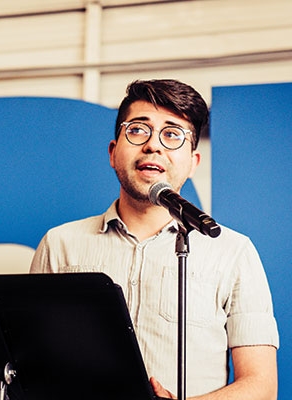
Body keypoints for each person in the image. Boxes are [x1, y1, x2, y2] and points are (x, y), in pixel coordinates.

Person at [30, 79, 279, 399]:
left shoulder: (232, 251)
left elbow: (261, 385)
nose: (154, 146)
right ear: (112, 151)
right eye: (137, 130)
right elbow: (30, 365)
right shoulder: (60, 244)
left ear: (193, 162)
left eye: (173, 134)